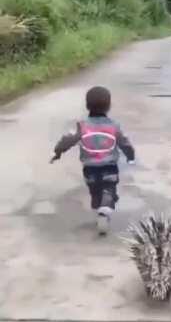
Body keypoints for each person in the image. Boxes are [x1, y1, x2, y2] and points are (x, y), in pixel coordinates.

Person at [50, 86, 135, 235]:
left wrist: (58, 152)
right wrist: (130, 156)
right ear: (109, 106)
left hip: (89, 168)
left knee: (95, 191)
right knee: (109, 189)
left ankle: (99, 212)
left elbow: (67, 140)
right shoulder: (114, 126)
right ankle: (105, 211)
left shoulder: (81, 126)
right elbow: (124, 143)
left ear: (87, 105)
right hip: (109, 166)